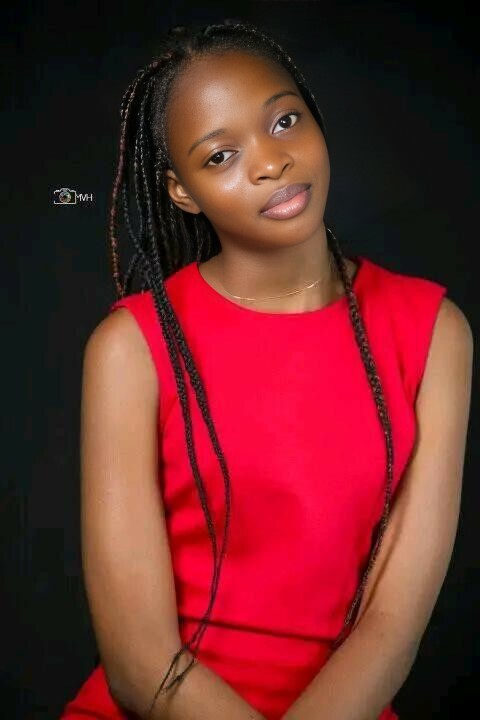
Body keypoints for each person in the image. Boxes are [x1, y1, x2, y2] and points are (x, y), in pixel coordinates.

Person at [60, 21, 473, 720]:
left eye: (284, 121)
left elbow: (392, 625)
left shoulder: (434, 332)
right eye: (221, 155)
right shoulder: (131, 348)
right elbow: (138, 662)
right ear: (183, 192)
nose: (271, 162)